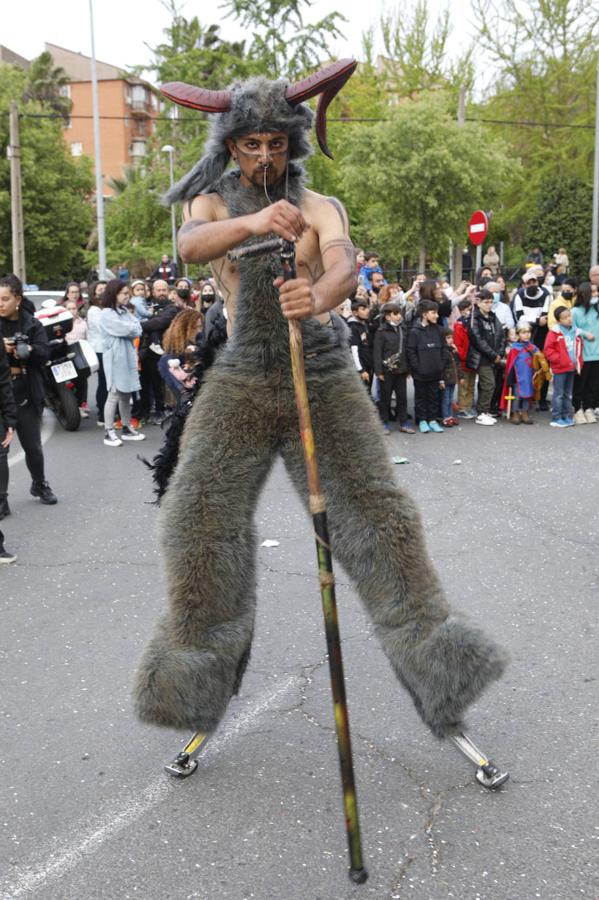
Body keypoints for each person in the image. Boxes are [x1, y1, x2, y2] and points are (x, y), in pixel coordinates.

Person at [133, 63, 507, 768]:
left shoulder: (322, 203)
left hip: (323, 374)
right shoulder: (211, 204)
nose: (265, 156)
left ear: (293, 141)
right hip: (241, 376)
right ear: (230, 145)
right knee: (195, 521)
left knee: (380, 520)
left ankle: (444, 681)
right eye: (251, 144)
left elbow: (339, 263)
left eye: (276, 141)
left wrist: (320, 294)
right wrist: (253, 222)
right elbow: (189, 248)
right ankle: (192, 690)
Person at [0, 276, 57, 507]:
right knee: (1, 450)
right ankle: (2, 499)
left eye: (5, 299)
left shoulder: (33, 324)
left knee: (32, 445)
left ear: (18, 299)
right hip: (2, 392)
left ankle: (39, 483)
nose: (0, 304)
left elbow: (45, 354)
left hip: (25, 392)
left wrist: (29, 349)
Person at [100, 280, 146, 447]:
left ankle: (126, 428)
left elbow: (137, 329)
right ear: (114, 294)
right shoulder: (106, 314)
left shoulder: (125, 311)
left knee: (126, 393)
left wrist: (130, 328)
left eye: (128, 293)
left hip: (127, 356)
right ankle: (108, 431)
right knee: (114, 394)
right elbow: (126, 329)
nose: (128, 296)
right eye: (125, 293)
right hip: (114, 358)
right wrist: (130, 328)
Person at [138, 279, 178, 423]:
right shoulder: (147, 306)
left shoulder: (172, 308)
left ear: (168, 291)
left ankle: (160, 411)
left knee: (158, 384)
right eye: (158, 290)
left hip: (161, 351)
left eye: (164, 290)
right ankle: (145, 412)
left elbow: (161, 322)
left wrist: (137, 325)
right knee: (143, 383)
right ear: (153, 292)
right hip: (144, 351)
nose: (161, 293)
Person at [406, 299, 448, 433]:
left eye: (437, 313)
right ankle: (422, 420)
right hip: (420, 372)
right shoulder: (414, 332)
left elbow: (444, 349)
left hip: (435, 371)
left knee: (434, 397)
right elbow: (410, 351)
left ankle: (432, 420)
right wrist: (417, 367)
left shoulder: (439, 330)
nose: (436, 315)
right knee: (420, 397)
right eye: (433, 313)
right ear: (424, 314)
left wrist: (440, 365)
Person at [373, 301, 413, 433]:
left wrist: (408, 368)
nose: (399, 316)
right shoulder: (381, 331)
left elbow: (407, 350)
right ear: (387, 316)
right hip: (386, 370)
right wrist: (378, 371)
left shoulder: (403, 329)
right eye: (395, 314)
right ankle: (384, 423)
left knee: (402, 397)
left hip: (401, 369)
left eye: (399, 313)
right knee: (385, 398)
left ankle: (404, 423)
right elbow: (377, 352)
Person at [467, 289, 506, 426]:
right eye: (486, 302)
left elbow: (501, 335)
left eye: (491, 302)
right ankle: (481, 413)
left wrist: (499, 353)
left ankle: (485, 410)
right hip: (482, 357)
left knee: (487, 384)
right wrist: (493, 355)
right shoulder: (474, 318)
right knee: (489, 384)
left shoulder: (493, 317)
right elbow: (477, 340)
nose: (489, 305)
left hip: (494, 356)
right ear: (478, 302)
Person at [544, 306, 582, 427]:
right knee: (559, 393)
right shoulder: (554, 332)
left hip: (571, 367)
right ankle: (556, 417)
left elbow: (579, 347)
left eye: (569, 316)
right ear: (559, 320)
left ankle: (566, 416)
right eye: (565, 318)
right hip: (560, 368)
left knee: (568, 393)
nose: (568, 319)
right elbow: (548, 350)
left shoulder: (574, 331)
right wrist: (559, 360)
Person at [500, 320, 542, 424]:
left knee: (528, 394)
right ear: (518, 334)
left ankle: (525, 412)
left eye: (528, 332)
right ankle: (515, 413)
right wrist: (510, 377)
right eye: (523, 332)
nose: (527, 335)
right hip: (517, 377)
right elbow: (510, 364)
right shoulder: (514, 349)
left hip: (530, 376)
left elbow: (540, 360)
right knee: (517, 396)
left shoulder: (533, 348)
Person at [571, 282, 599, 424]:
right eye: (593, 292)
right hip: (582, 355)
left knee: (593, 384)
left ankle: (588, 408)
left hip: (597, 353)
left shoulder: (597, 309)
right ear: (584, 294)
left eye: (596, 292)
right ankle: (577, 409)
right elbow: (571, 329)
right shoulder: (575, 311)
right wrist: (584, 333)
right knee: (580, 384)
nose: (596, 295)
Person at [86, 281, 108, 426]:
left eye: (105, 289)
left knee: (108, 382)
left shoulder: (107, 309)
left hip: (108, 349)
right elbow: (104, 328)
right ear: (94, 294)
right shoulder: (94, 310)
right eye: (100, 290)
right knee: (104, 382)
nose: (103, 292)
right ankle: (102, 414)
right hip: (100, 349)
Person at [64, 299, 90, 418]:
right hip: (66, 355)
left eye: (73, 308)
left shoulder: (83, 323)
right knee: (69, 382)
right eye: (68, 309)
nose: (71, 311)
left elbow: (87, 338)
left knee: (82, 380)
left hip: (80, 354)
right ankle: (70, 406)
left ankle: (81, 405)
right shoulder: (62, 324)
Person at [454, 298, 476, 418]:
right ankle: (463, 407)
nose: (470, 312)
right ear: (462, 311)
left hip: (472, 359)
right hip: (464, 360)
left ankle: (469, 406)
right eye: (468, 310)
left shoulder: (471, 324)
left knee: (471, 384)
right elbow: (458, 345)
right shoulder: (459, 326)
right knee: (464, 385)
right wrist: (464, 357)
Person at [347, 298, 373, 388]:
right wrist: (361, 370)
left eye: (367, 308)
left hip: (368, 366)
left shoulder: (364, 324)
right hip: (362, 368)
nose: (367, 311)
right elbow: (354, 350)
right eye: (363, 309)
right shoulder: (353, 327)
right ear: (355, 312)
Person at [440, 327, 461, 426]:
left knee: (450, 398)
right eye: (448, 338)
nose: (451, 340)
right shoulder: (442, 351)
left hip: (452, 378)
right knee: (446, 399)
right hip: (446, 379)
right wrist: (441, 380)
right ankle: (445, 417)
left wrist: (461, 377)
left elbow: (458, 364)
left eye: (452, 337)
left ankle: (450, 416)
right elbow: (440, 367)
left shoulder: (453, 350)